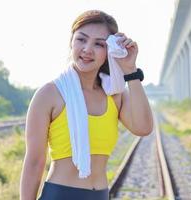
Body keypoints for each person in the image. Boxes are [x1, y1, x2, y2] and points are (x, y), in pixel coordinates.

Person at [20, 10, 153, 200]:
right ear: (71, 42)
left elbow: (144, 127)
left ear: (109, 51)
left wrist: (130, 71)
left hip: (100, 195)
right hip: (60, 194)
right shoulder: (49, 94)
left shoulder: (114, 94)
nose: (87, 49)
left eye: (99, 44)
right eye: (81, 40)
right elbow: (34, 162)